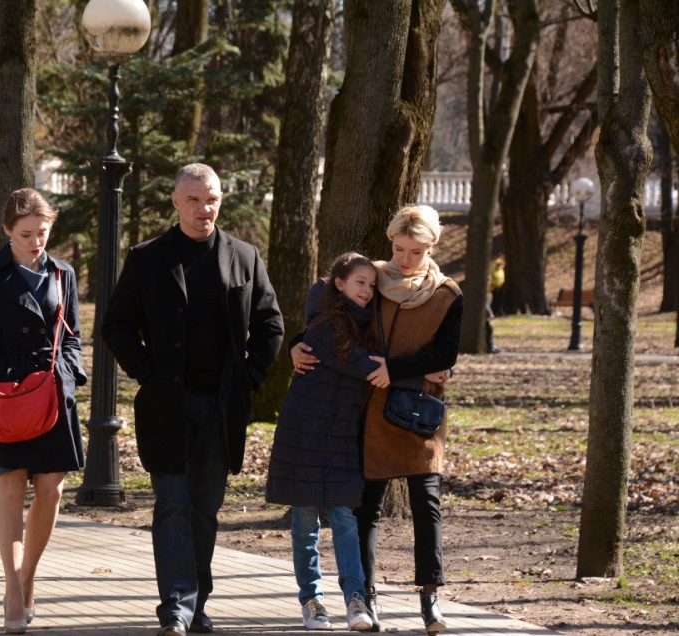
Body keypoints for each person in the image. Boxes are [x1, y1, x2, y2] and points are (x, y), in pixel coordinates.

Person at [102, 163, 284, 636]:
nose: (205, 209)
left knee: (205, 509)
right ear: (176, 202)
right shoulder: (147, 258)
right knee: (172, 504)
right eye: (195, 200)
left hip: (222, 407)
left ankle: (198, 603)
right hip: (168, 405)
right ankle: (176, 608)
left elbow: (270, 324)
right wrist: (148, 373)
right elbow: (116, 326)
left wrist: (249, 377)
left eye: (212, 200)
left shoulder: (244, 255)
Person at [292, 205, 460, 633]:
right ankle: (365, 596)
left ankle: (430, 598)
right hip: (371, 408)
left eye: (415, 251)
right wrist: (296, 343)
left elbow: (446, 353)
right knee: (368, 508)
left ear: (432, 247)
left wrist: (400, 369)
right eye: (399, 248)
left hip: (420, 410)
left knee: (427, 503)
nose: (405, 259)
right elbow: (328, 317)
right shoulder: (373, 282)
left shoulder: (447, 294)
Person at [0, 188, 87, 634]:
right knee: (11, 487)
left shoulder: (62, 273)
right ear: (7, 231)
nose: (36, 242)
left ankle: (28, 577)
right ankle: (13, 590)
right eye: (26, 234)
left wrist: (66, 374)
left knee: (51, 491)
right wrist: (3, 372)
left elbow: (72, 335)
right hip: (8, 394)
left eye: (43, 233)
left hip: (52, 394)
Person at [266, 253, 380, 632]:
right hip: (306, 434)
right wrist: (400, 370)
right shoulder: (325, 324)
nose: (367, 290)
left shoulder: (371, 321)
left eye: (372, 285)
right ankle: (312, 602)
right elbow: (359, 363)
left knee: (344, 518)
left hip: (343, 435)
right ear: (340, 284)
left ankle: (355, 600)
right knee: (304, 523)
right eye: (360, 282)